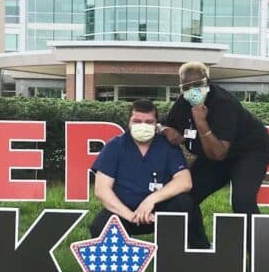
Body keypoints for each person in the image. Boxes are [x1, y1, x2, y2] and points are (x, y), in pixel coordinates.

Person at [160, 62, 269, 245]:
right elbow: (166, 123)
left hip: (248, 151)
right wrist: (165, 129)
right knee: (184, 196)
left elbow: (219, 153)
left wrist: (201, 122)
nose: (193, 90)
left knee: (243, 201)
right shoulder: (183, 103)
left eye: (198, 85)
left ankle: (261, 258)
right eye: (186, 86)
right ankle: (200, 250)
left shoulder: (223, 103)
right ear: (180, 86)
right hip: (212, 154)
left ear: (208, 82)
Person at [89, 98, 209, 248]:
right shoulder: (115, 146)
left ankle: (197, 252)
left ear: (156, 124)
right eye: (137, 121)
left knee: (185, 202)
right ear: (129, 123)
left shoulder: (167, 146)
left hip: (160, 211)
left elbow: (184, 182)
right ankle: (119, 268)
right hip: (124, 212)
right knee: (100, 226)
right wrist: (131, 216)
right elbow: (102, 190)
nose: (142, 126)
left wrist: (150, 200)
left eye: (149, 122)